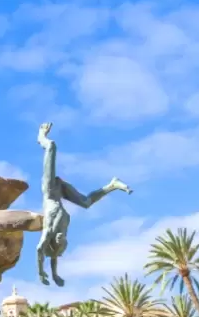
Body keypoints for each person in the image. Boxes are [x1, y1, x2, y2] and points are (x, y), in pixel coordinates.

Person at [35, 122, 131, 287]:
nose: (61, 238)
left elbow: (40, 251)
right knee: (86, 203)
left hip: (50, 190)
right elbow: (55, 257)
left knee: (51, 146)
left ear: (54, 242)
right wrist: (56, 275)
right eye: (63, 240)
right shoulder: (62, 231)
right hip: (60, 192)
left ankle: (41, 137)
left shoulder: (49, 232)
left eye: (59, 241)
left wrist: (41, 272)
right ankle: (112, 185)